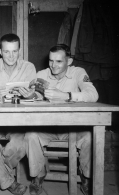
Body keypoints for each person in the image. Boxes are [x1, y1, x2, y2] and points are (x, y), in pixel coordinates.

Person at [24, 44, 99, 195]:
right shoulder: (42, 74)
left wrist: (66, 95)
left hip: (73, 129)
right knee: (30, 136)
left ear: (69, 61)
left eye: (59, 61)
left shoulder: (78, 72)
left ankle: (86, 176)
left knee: (90, 137)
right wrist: (29, 96)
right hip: (47, 129)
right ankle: (38, 175)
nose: (53, 65)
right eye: (51, 61)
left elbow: (93, 95)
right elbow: (35, 96)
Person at [0, 33, 37, 195]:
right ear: (0, 51)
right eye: (6, 52)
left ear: (19, 51)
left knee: (20, 143)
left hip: (18, 121)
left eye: (14, 51)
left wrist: (29, 95)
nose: (11, 56)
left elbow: (37, 95)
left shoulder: (29, 67)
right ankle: (8, 181)